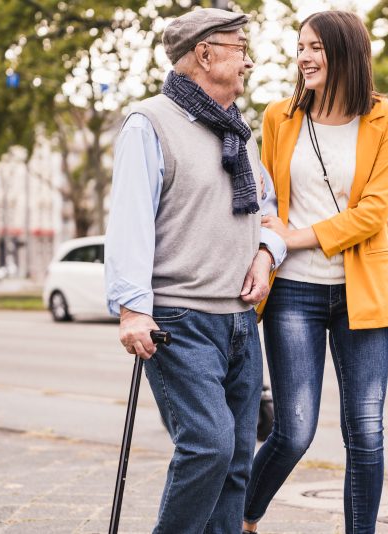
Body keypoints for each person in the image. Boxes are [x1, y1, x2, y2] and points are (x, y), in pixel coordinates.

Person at [104, 8, 286, 533]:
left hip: (239, 322)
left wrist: (265, 252)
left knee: (235, 461)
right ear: (205, 55)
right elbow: (131, 221)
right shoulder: (150, 122)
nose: (249, 61)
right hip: (179, 320)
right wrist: (132, 311)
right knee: (209, 445)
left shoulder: (237, 134)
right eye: (239, 48)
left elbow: (269, 211)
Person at [242, 10, 388, 534]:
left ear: (347, 54)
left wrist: (297, 235)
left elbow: (373, 212)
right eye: (301, 47)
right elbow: (265, 203)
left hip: (363, 292)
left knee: (366, 431)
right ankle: (241, 519)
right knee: (292, 431)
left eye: (316, 47)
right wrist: (272, 249)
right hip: (294, 292)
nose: (305, 57)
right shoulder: (278, 117)